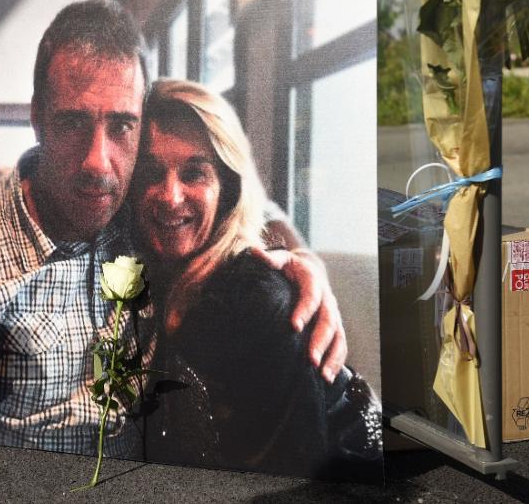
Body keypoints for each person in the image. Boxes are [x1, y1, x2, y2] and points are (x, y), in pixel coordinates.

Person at [0, 0, 349, 457]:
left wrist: (300, 264)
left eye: (123, 126)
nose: (98, 162)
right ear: (37, 119)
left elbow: (241, 203)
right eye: (72, 123)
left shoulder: (136, 217)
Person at [133, 79, 382, 477]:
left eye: (195, 173)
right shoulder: (149, 274)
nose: (170, 196)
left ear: (227, 188)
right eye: (150, 173)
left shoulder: (254, 300)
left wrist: (303, 262)